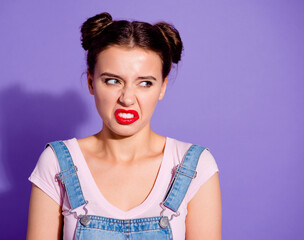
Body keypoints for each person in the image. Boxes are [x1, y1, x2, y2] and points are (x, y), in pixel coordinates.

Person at [27, 12, 221, 240]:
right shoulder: (57, 163)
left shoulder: (195, 166)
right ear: (91, 82)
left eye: (145, 83)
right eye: (113, 80)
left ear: (162, 87)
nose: (127, 98)